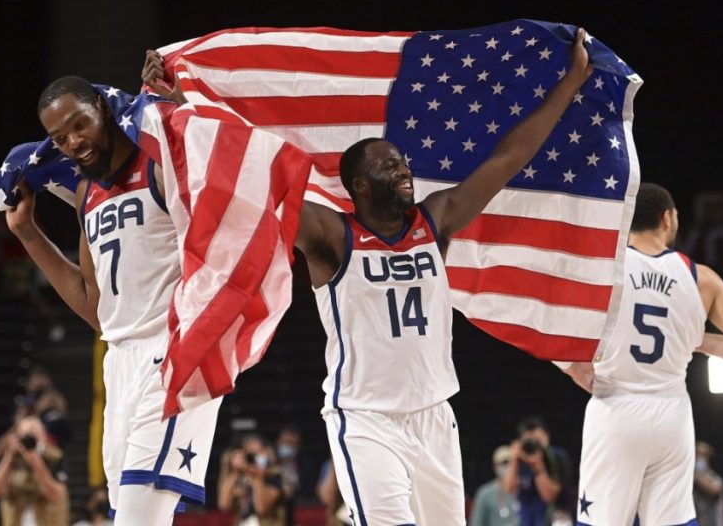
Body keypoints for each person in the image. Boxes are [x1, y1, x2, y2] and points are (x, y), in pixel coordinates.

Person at [142, 28, 592, 524]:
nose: (404, 171)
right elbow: (252, 179)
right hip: (366, 420)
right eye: (389, 166)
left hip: (436, 414)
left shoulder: (435, 219)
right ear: (358, 184)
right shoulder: (331, 237)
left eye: (402, 163)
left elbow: (507, 159)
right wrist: (183, 109)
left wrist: (570, 84)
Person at [5, 76, 222, 523]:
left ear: (104, 110)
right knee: (128, 514)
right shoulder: (87, 195)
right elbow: (94, 306)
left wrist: (177, 103)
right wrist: (27, 233)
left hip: (174, 350)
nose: (72, 143)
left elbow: (211, 166)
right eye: (58, 138)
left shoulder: (161, 164)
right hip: (120, 358)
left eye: (78, 125)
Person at [561, 183, 723, 525]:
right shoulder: (701, 278)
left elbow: (550, 322)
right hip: (672, 414)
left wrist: (570, 366)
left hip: (616, 408)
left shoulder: (603, 269)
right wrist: (693, 339)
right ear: (668, 218)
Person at [0, 415, 70, 526]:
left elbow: (56, 496)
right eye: (25, 437)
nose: (29, 442)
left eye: (34, 437)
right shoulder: (11, 459)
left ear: (43, 436)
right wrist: (8, 457)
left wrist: (36, 463)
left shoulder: (54, 458)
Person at [502, 417, 571, 526]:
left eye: (537, 441)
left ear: (547, 437)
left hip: (555, 519)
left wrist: (537, 466)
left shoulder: (556, 457)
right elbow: (508, 489)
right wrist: (514, 460)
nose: (533, 445)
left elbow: (549, 497)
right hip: (526, 519)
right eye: (528, 441)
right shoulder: (520, 459)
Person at [218, 434, 285, 526]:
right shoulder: (243, 478)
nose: (255, 458)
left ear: (267, 452)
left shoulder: (275, 475)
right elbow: (224, 505)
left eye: (259, 452)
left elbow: (262, 509)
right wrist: (235, 472)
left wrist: (257, 477)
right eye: (251, 454)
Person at [469, 445, 519, 526]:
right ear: (495, 466)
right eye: (504, 463)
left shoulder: (524, 490)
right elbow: (476, 522)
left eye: (511, 463)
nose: (508, 467)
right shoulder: (485, 493)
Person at [693, 441, 723, 526]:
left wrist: (697, 476)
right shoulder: (692, 481)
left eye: (702, 455)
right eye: (697, 455)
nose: (699, 458)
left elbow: (716, 490)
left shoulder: (714, 477)